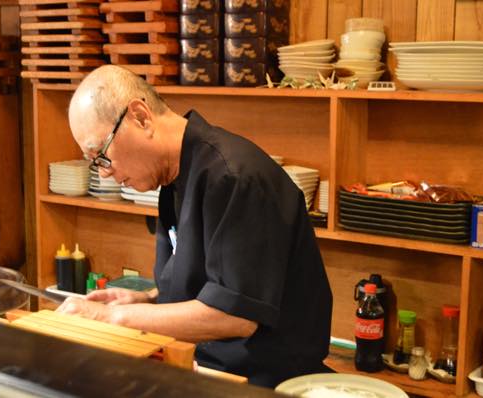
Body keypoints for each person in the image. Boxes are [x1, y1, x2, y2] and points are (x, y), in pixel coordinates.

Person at [57, 65, 333, 388]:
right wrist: (146, 300)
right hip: (206, 368)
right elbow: (206, 279)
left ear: (141, 117)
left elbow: (235, 314)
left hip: (266, 382)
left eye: (101, 155)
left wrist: (110, 318)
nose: (104, 173)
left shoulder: (232, 177)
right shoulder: (174, 177)